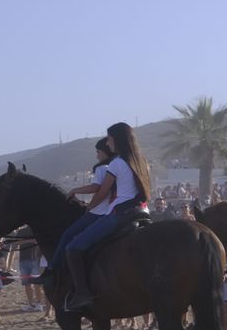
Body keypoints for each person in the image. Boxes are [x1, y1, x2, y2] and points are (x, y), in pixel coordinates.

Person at [52, 123, 153, 310]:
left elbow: (101, 193)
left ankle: (82, 293)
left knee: (73, 247)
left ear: (116, 139)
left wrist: (88, 208)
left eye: (109, 138)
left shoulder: (117, 163)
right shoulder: (143, 161)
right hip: (144, 212)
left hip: (120, 214)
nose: (107, 142)